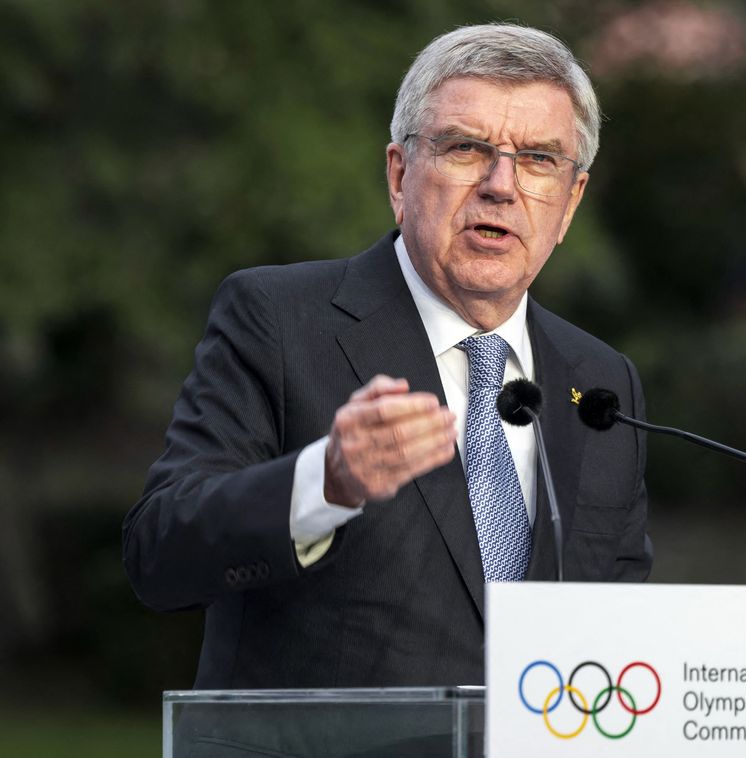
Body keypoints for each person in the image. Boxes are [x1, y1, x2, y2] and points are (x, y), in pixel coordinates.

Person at [122, 23, 652, 694]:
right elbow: (160, 557)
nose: (500, 185)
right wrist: (326, 482)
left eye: (540, 159)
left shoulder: (601, 381)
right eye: (466, 148)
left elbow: (622, 627)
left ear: (570, 202)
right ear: (400, 175)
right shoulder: (278, 320)